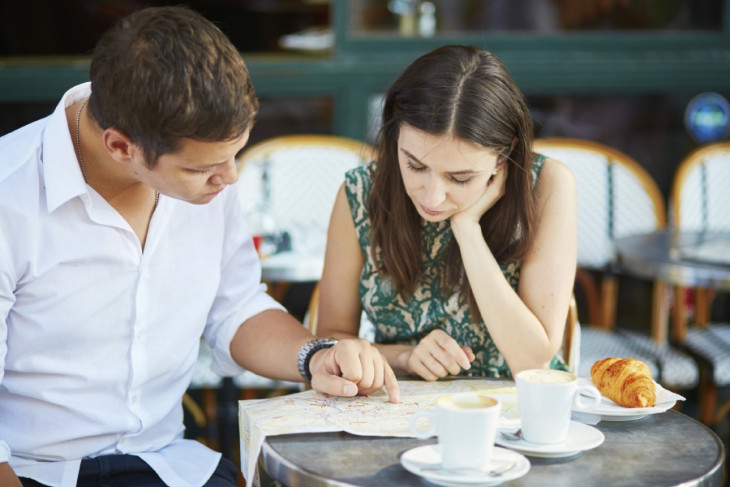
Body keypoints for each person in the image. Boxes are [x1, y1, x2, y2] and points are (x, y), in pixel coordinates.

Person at [0, 7, 398, 487]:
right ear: (121, 146)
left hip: (168, 463)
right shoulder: (11, 195)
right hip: (32, 469)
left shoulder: (210, 182)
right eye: (202, 167)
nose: (230, 178)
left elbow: (236, 307)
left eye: (234, 155)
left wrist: (313, 356)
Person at [317, 45, 577, 381]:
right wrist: (405, 357)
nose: (433, 196)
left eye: (460, 177)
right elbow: (329, 344)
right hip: (397, 408)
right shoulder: (361, 193)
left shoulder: (546, 185)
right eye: (415, 165)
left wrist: (468, 231)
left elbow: (532, 361)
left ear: (503, 156)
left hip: (516, 410)